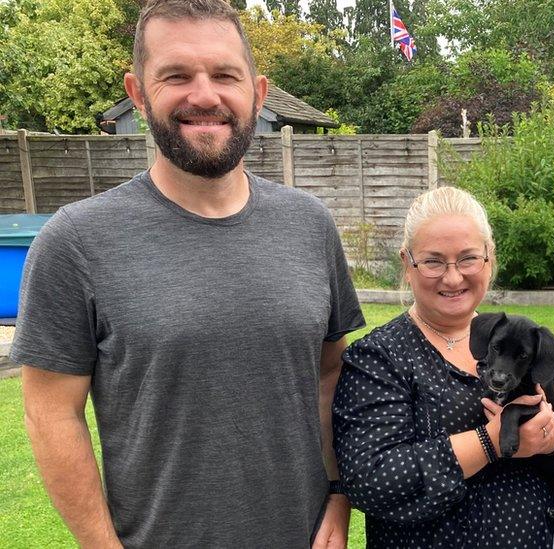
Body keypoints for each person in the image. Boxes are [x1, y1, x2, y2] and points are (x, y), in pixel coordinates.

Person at [12, 1, 364, 547]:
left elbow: (330, 377)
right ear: (137, 92)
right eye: (176, 75)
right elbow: (51, 414)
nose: (205, 95)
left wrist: (339, 497)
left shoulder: (310, 226)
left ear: (258, 92)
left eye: (226, 75)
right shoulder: (76, 241)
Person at [332, 186, 554, 547]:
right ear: (407, 263)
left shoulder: (516, 342)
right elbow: (371, 480)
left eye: (468, 258)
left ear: (490, 259)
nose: (453, 278)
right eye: (433, 261)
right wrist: (491, 441)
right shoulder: (380, 357)